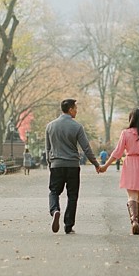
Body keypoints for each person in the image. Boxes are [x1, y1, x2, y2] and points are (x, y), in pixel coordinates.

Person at [45, 98, 100, 234]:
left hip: (56, 165)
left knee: (54, 191)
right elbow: (86, 148)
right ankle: (68, 225)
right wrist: (96, 164)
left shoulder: (50, 126)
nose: (77, 111)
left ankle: (55, 210)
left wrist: (50, 163)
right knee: (72, 195)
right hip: (72, 166)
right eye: (75, 108)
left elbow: (48, 149)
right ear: (70, 109)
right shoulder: (77, 127)